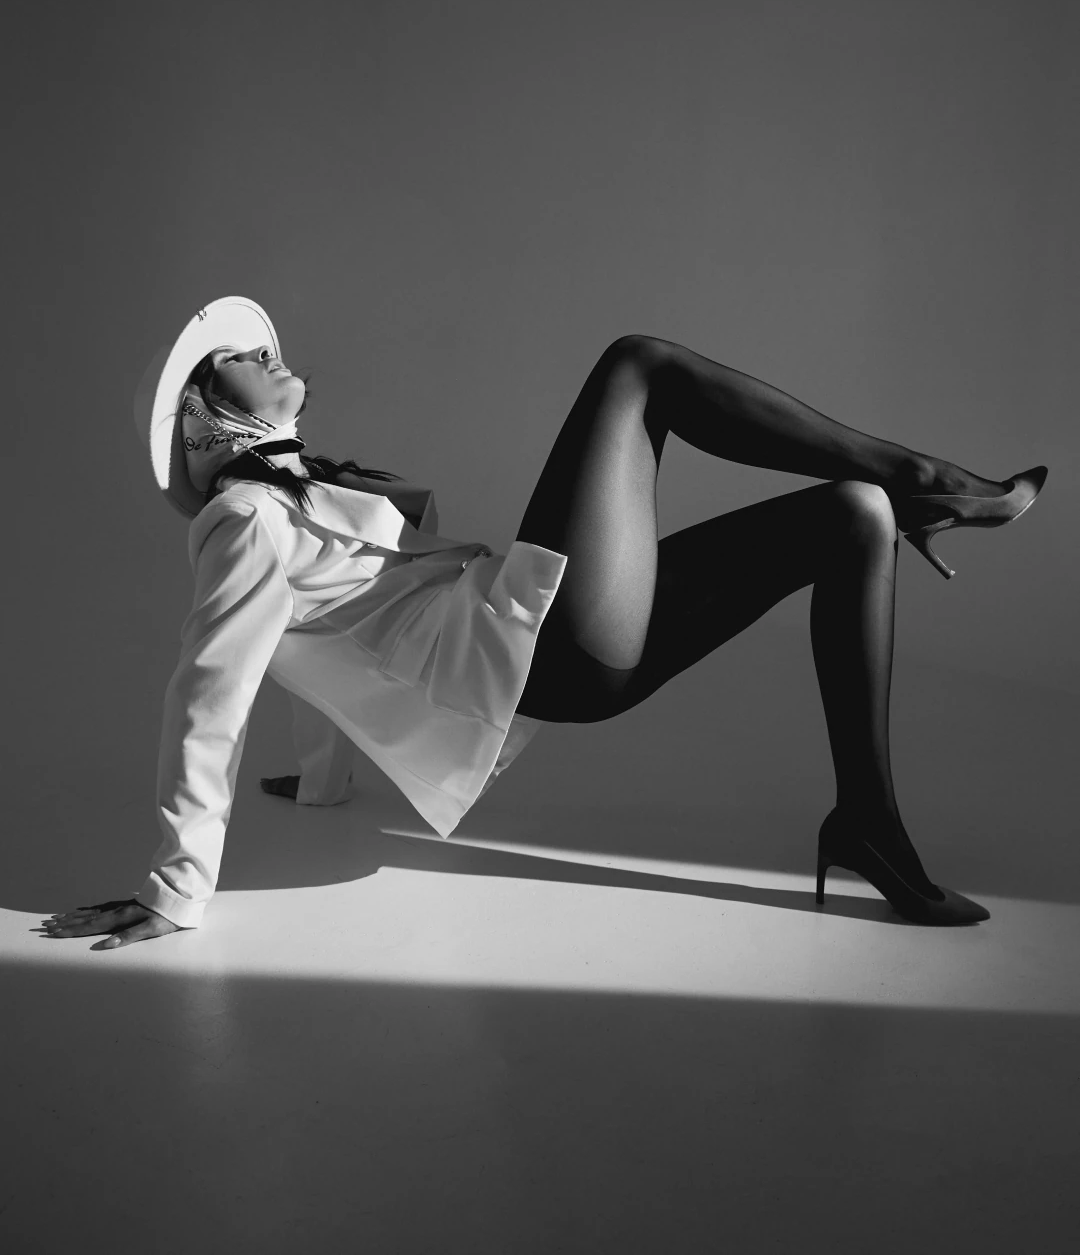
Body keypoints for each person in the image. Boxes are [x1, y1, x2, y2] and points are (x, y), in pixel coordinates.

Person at [40, 298, 1047, 951]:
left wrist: (321, 783)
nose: (268, 353)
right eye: (238, 359)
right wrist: (177, 886)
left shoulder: (293, 496)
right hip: (540, 653)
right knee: (638, 367)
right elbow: (211, 688)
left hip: (565, 652)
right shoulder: (246, 521)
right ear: (203, 418)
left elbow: (318, 638)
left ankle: (867, 824)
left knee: (852, 517)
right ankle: (928, 479)